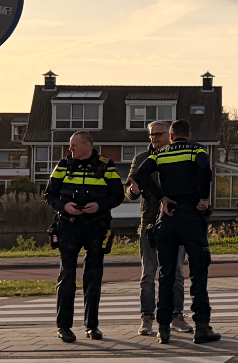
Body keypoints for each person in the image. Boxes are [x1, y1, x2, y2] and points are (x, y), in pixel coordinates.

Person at [132, 120, 219, 344]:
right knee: (198, 272)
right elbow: (204, 169)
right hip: (190, 216)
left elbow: (140, 176)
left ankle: (163, 329)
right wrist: (203, 198)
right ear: (188, 135)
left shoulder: (161, 154)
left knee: (166, 274)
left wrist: (161, 197)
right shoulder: (197, 149)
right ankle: (201, 327)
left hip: (167, 217)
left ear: (170, 137)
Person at [45, 131, 121, 342]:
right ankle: (64, 327)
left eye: (73, 146)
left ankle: (92, 326)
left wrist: (99, 206)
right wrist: (64, 206)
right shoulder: (62, 166)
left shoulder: (106, 166)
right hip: (68, 227)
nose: (70, 150)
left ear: (87, 145)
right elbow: (48, 194)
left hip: (95, 228)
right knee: (67, 277)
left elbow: (118, 195)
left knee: (93, 278)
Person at [126, 119, 184, 337]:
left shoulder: (177, 156)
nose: (155, 138)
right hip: (149, 221)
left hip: (173, 221)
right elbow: (129, 191)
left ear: (169, 135)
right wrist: (133, 191)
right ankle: (147, 317)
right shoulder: (141, 159)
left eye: (158, 134)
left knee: (176, 273)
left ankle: (176, 316)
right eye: (151, 135)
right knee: (148, 274)